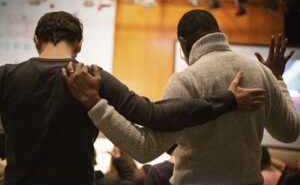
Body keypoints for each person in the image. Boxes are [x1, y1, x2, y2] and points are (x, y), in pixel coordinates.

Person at [0, 11, 265, 185]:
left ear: (36, 40)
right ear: (79, 43)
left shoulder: (6, 77)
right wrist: (227, 101)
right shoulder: (94, 78)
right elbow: (156, 116)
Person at [63, 9, 300, 185]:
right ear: (219, 34)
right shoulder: (261, 73)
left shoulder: (186, 81)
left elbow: (146, 149)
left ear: (184, 44)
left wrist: (95, 106)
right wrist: (277, 78)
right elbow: (289, 132)